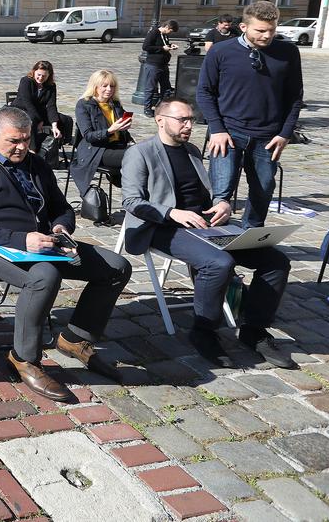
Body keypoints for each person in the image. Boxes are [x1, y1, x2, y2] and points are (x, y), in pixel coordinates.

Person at [0, 107, 131, 400]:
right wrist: (22, 240)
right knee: (44, 277)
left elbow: (61, 207)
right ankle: (23, 358)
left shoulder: (36, 164)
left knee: (116, 267)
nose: (22, 147)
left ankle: (75, 338)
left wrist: (61, 227)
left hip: (47, 243)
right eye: (14, 141)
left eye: (26, 139)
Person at [121, 98, 295, 369]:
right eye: (183, 120)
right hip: (162, 226)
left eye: (191, 120)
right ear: (160, 120)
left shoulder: (190, 150)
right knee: (218, 263)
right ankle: (204, 331)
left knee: (276, 261)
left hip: (205, 224)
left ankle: (254, 330)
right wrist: (172, 213)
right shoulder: (140, 152)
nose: (189, 126)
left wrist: (222, 203)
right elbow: (131, 201)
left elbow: (207, 192)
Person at [198, 0, 304, 229]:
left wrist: (285, 134)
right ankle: (215, 237)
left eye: (272, 30)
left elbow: (295, 97)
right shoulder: (221, 51)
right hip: (228, 132)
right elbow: (204, 92)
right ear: (244, 27)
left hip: (268, 135)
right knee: (221, 191)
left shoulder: (288, 52)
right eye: (261, 30)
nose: (267, 35)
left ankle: (251, 235)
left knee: (264, 188)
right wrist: (216, 129)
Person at [71, 69, 133, 190]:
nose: (109, 89)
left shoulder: (115, 103)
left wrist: (124, 128)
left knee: (146, 152)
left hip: (117, 146)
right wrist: (110, 130)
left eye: (112, 86)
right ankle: (133, 194)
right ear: (95, 87)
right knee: (136, 157)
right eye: (104, 86)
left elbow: (121, 130)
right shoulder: (84, 104)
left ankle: (139, 193)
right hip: (96, 150)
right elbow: (88, 136)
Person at [12, 61, 61, 153]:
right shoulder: (26, 81)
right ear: (34, 72)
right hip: (22, 109)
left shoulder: (51, 86)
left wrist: (54, 125)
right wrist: (40, 120)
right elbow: (28, 103)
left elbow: (51, 105)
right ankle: (32, 150)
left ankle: (53, 147)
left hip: (37, 110)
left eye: (44, 76)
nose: (41, 78)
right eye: (39, 75)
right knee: (32, 120)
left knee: (65, 120)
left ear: (49, 76)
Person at [140, 20, 179, 117]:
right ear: (166, 27)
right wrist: (162, 48)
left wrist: (170, 46)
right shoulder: (154, 33)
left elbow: (163, 45)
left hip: (163, 65)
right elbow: (146, 46)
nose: (170, 33)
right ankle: (147, 109)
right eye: (170, 30)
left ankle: (161, 107)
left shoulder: (165, 35)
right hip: (153, 64)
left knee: (166, 88)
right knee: (151, 87)